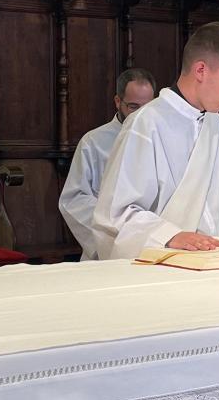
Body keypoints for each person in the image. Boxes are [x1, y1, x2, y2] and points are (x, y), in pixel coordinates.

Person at [91, 23, 219, 260]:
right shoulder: (146, 123)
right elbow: (116, 215)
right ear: (201, 70)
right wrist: (170, 235)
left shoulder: (217, 125)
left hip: (215, 259)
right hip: (162, 262)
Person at [58, 68, 156, 260]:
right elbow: (74, 199)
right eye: (134, 107)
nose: (141, 115)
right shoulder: (93, 142)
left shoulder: (161, 139)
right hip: (111, 244)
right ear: (118, 102)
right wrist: (113, 231)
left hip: (153, 242)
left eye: (149, 107)